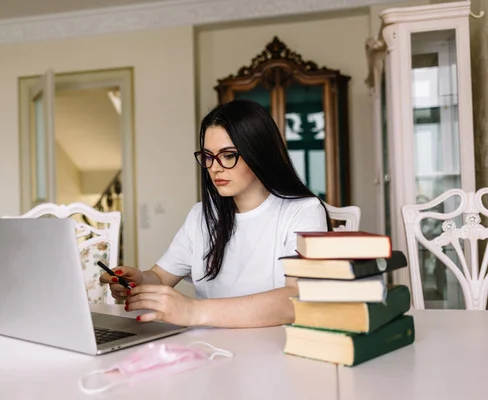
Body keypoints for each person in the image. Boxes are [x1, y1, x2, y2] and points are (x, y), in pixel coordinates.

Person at [100, 99, 330, 328]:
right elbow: (160, 277)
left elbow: (295, 299)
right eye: (208, 156)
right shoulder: (201, 215)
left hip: (274, 347)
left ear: (259, 153)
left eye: (228, 155)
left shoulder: (303, 211)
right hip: (210, 348)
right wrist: (139, 280)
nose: (214, 167)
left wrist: (193, 311)